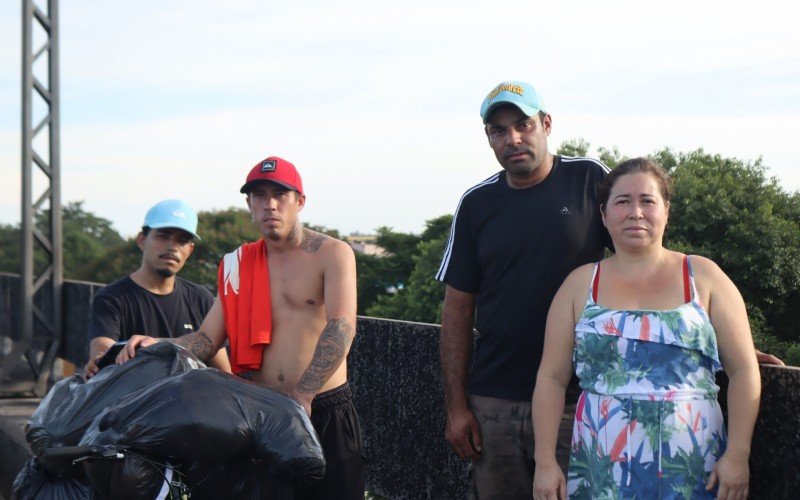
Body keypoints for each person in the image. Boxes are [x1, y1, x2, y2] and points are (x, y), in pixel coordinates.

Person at [119, 157, 364, 499]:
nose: (270, 204)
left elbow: (341, 326)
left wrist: (303, 395)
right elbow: (206, 339)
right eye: (259, 196)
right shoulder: (237, 263)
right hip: (258, 413)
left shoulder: (331, 253)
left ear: (300, 201)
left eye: (280, 194)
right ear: (249, 204)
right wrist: (157, 345)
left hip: (320, 408)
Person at [531, 158, 760, 500]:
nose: (635, 212)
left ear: (665, 211)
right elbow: (551, 378)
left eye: (647, 201)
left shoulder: (705, 276)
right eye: (622, 202)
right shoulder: (579, 285)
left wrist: (738, 455)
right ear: (604, 215)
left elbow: (743, 369)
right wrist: (545, 462)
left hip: (695, 465)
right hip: (601, 465)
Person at [436, 80, 612, 499]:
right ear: (489, 139)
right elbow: (457, 310)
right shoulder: (477, 203)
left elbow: (646, 263)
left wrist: (707, 343)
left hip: (580, 395)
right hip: (496, 399)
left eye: (522, 124)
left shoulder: (588, 178)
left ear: (546, 124)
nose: (512, 138)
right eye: (499, 130)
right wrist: (456, 407)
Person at [85, 199, 230, 378]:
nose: (172, 247)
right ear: (142, 240)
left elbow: (224, 372)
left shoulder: (201, 299)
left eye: (182, 241)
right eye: (163, 236)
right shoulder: (111, 298)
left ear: (190, 250)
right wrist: (103, 358)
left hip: (191, 403)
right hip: (135, 403)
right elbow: (103, 350)